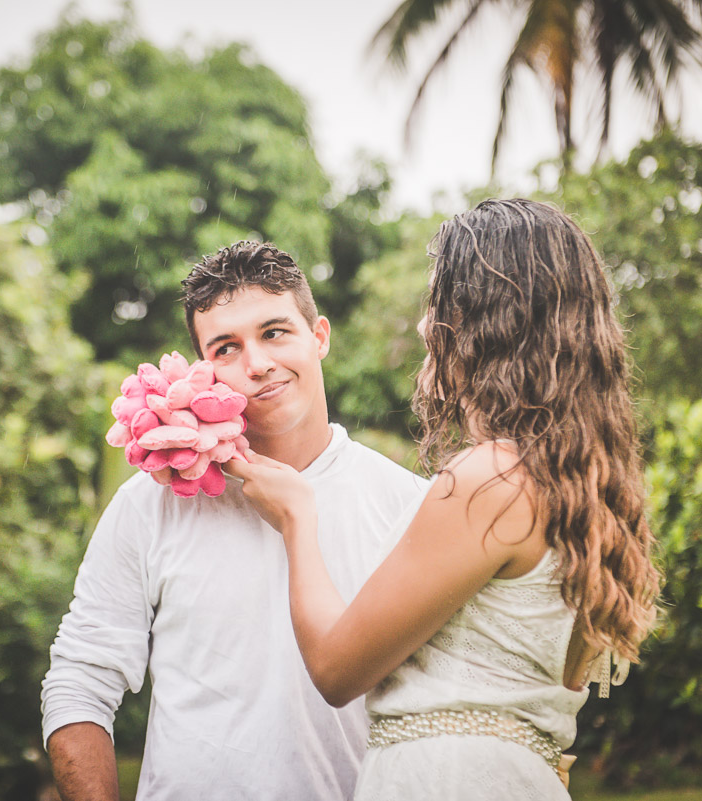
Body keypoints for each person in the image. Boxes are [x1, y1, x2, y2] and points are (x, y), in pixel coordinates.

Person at [225, 199, 662, 800]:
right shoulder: (581, 488)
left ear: (481, 320)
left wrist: (298, 518)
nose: (425, 327)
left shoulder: (490, 480)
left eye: (438, 304)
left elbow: (335, 668)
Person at [42, 241, 427, 800]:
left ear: (318, 336)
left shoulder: (407, 504)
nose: (257, 364)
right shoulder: (149, 503)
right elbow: (80, 679)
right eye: (226, 348)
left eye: (275, 332)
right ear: (203, 369)